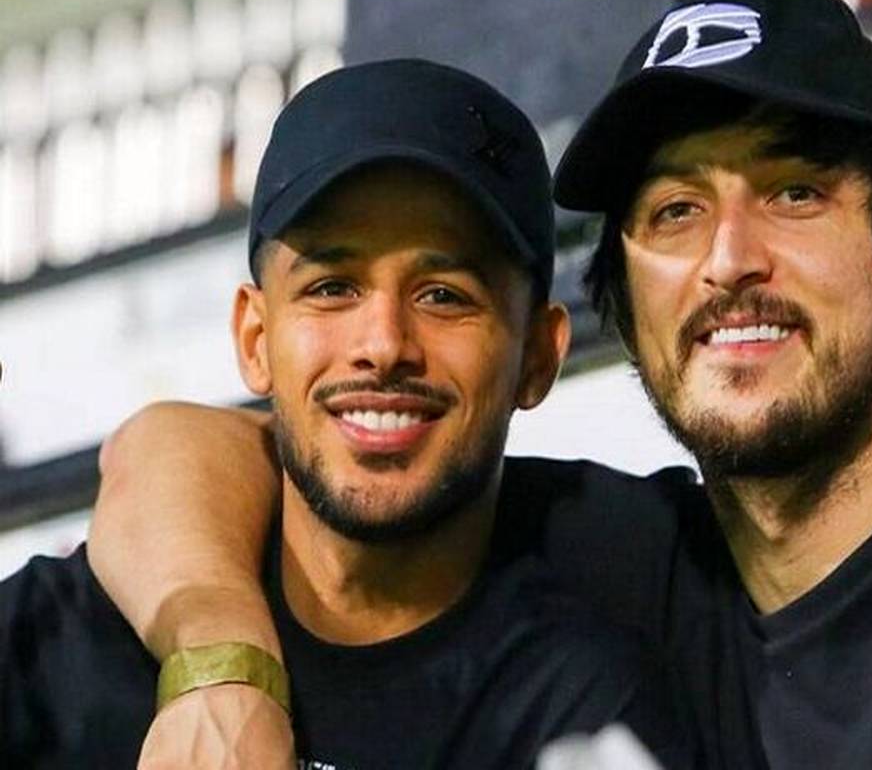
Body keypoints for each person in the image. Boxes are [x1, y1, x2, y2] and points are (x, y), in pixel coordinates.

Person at [86, 0, 872, 770]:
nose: (728, 260)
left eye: (794, 192)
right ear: (624, 310)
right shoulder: (638, 550)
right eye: (674, 211)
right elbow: (182, 448)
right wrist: (221, 663)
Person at [0, 58, 691, 770]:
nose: (383, 345)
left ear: (539, 357)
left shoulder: (591, 684)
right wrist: (221, 666)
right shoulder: (77, 641)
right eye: (332, 288)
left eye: (444, 295)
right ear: (255, 339)